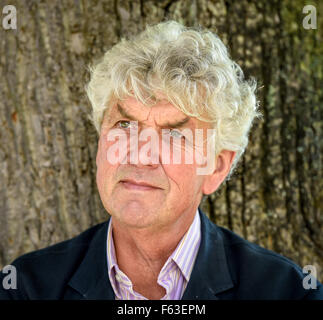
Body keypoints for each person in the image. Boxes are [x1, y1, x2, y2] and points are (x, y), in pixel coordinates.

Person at [0, 21, 322, 300]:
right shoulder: (25, 288)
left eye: (174, 135)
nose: (140, 153)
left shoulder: (289, 293)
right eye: (124, 125)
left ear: (217, 166)